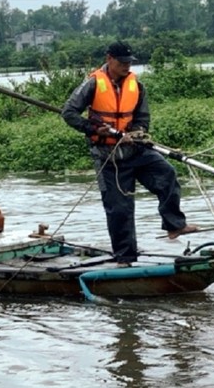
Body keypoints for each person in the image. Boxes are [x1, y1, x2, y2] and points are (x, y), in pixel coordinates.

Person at [61, 41, 198, 266]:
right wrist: (94, 128)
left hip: (135, 151)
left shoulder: (137, 86)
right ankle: (125, 259)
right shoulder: (93, 84)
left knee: (166, 173)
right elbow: (69, 113)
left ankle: (175, 225)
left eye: (129, 62)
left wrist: (137, 132)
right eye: (122, 62)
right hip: (108, 156)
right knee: (120, 209)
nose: (127, 66)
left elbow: (142, 119)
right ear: (109, 59)